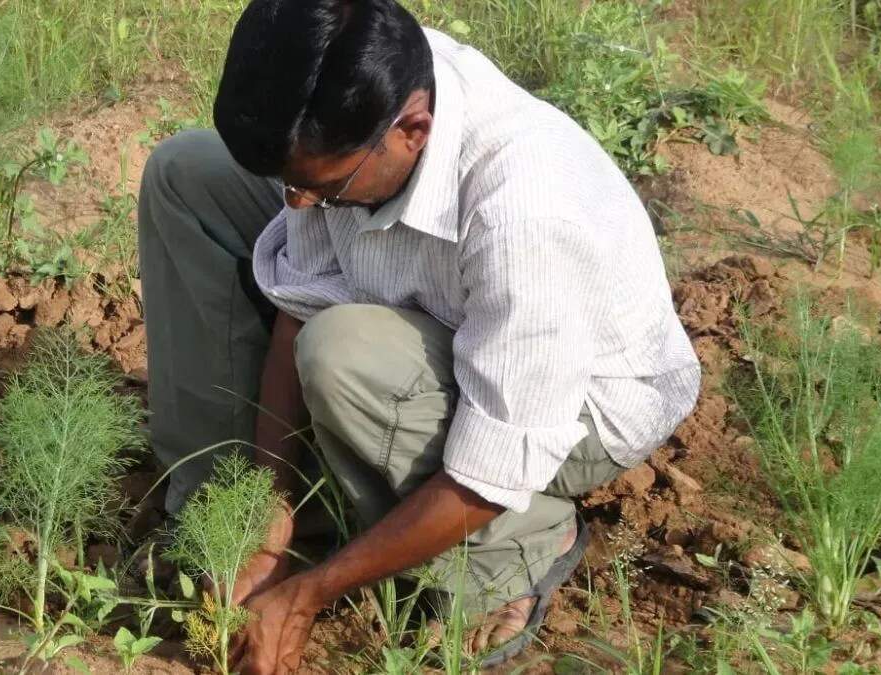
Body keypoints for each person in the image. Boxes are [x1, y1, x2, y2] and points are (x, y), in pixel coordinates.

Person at [137, 0, 700, 672]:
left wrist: (311, 595)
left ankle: (515, 549)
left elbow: (492, 462)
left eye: (318, 186)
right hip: (438, 312)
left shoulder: (527, 213)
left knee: (340, 352)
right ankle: (227, 520)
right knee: (186, 172)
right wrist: (267, 511)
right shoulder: (365, 81)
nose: (296, 207)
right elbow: (301, 296)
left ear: (413, 129)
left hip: (577, 407)